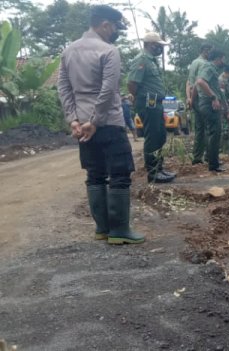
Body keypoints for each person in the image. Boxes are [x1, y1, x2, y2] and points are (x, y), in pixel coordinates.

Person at [57, 5, 144, 245]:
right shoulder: (109, 51)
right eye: (115, 27)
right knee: (119, 174)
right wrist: (94, 121)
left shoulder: (68, 51)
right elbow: (107, 91)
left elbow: (63, 88)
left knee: (95, 174)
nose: (115, 31)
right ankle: (119, 230)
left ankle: (102, 228)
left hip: (81, 125)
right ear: (105, 25)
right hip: (108, 123)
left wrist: (73, 119)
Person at [127, 32, 176, 184]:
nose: (161, 48)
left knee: (160, 136)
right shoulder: (142, 60)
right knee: (153, 137)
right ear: (149, 44)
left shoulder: (151, 61)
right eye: (159, 45)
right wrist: (140, 98)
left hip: (157, 103)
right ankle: (153, 173)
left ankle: (159, 168)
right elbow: (132, 83)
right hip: (149, 103)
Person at [194, 49, 227, 172]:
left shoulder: (212, 69)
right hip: (209, 104)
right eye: (223, 58)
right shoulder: (208, 66)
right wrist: (213, 97)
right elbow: (200, 81)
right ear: (218, 58)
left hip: (208, 104)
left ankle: (212, 161)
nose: (224, 61)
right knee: (214, 133)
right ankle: (213, 165)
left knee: (213, 133)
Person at [187, 43, 213, 165]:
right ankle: (209, 156)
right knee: (208, 128)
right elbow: (199, 83)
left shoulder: (193, 62)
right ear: (205, 50)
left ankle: (197, 157)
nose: (210, 53)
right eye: (209, 50)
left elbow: (189, 82)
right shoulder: (203, 64)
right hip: (202, 98)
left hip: (194, 98)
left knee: (199, 129)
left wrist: (190, 99)